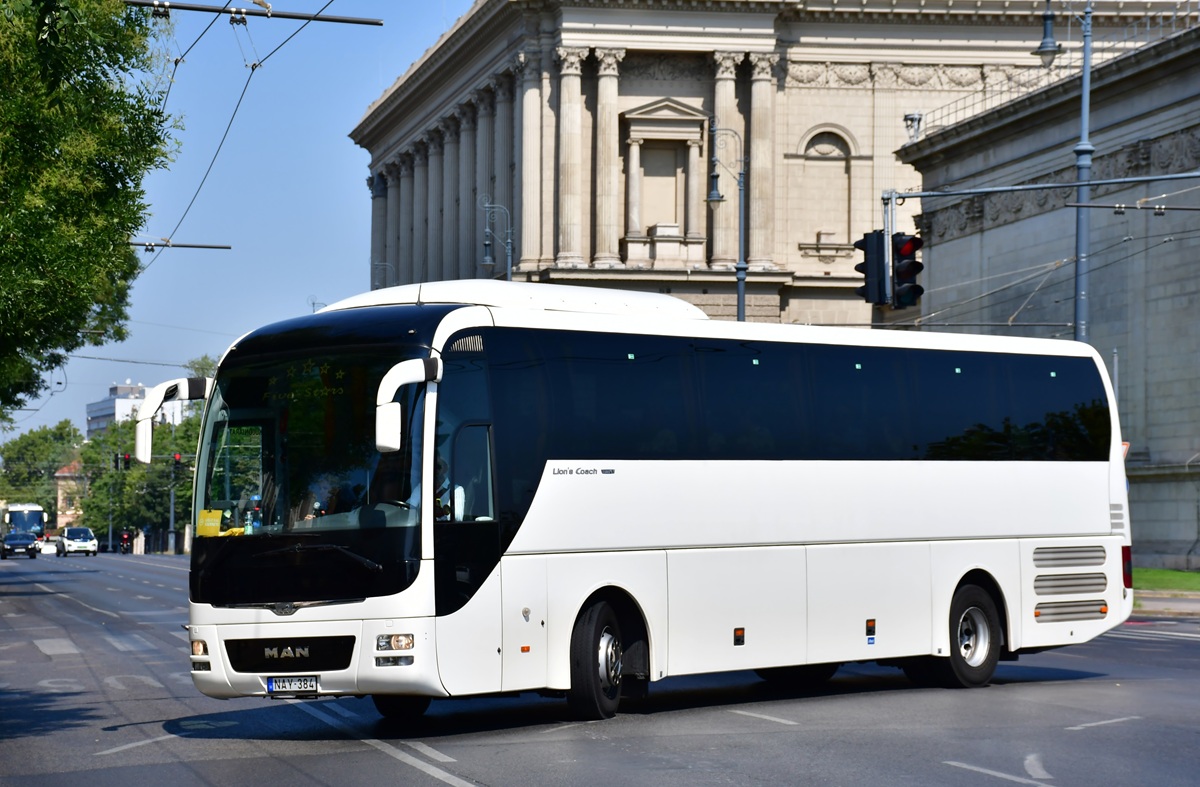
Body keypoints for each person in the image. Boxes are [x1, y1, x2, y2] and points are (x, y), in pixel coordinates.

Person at [407, 453, 464, 521]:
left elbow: (457, 518)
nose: (434, 470)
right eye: (431, 467)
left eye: (437, 467)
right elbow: (409, 507)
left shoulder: (456, 490)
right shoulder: (422, 487)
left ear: (445, 469)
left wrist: (442, 512)